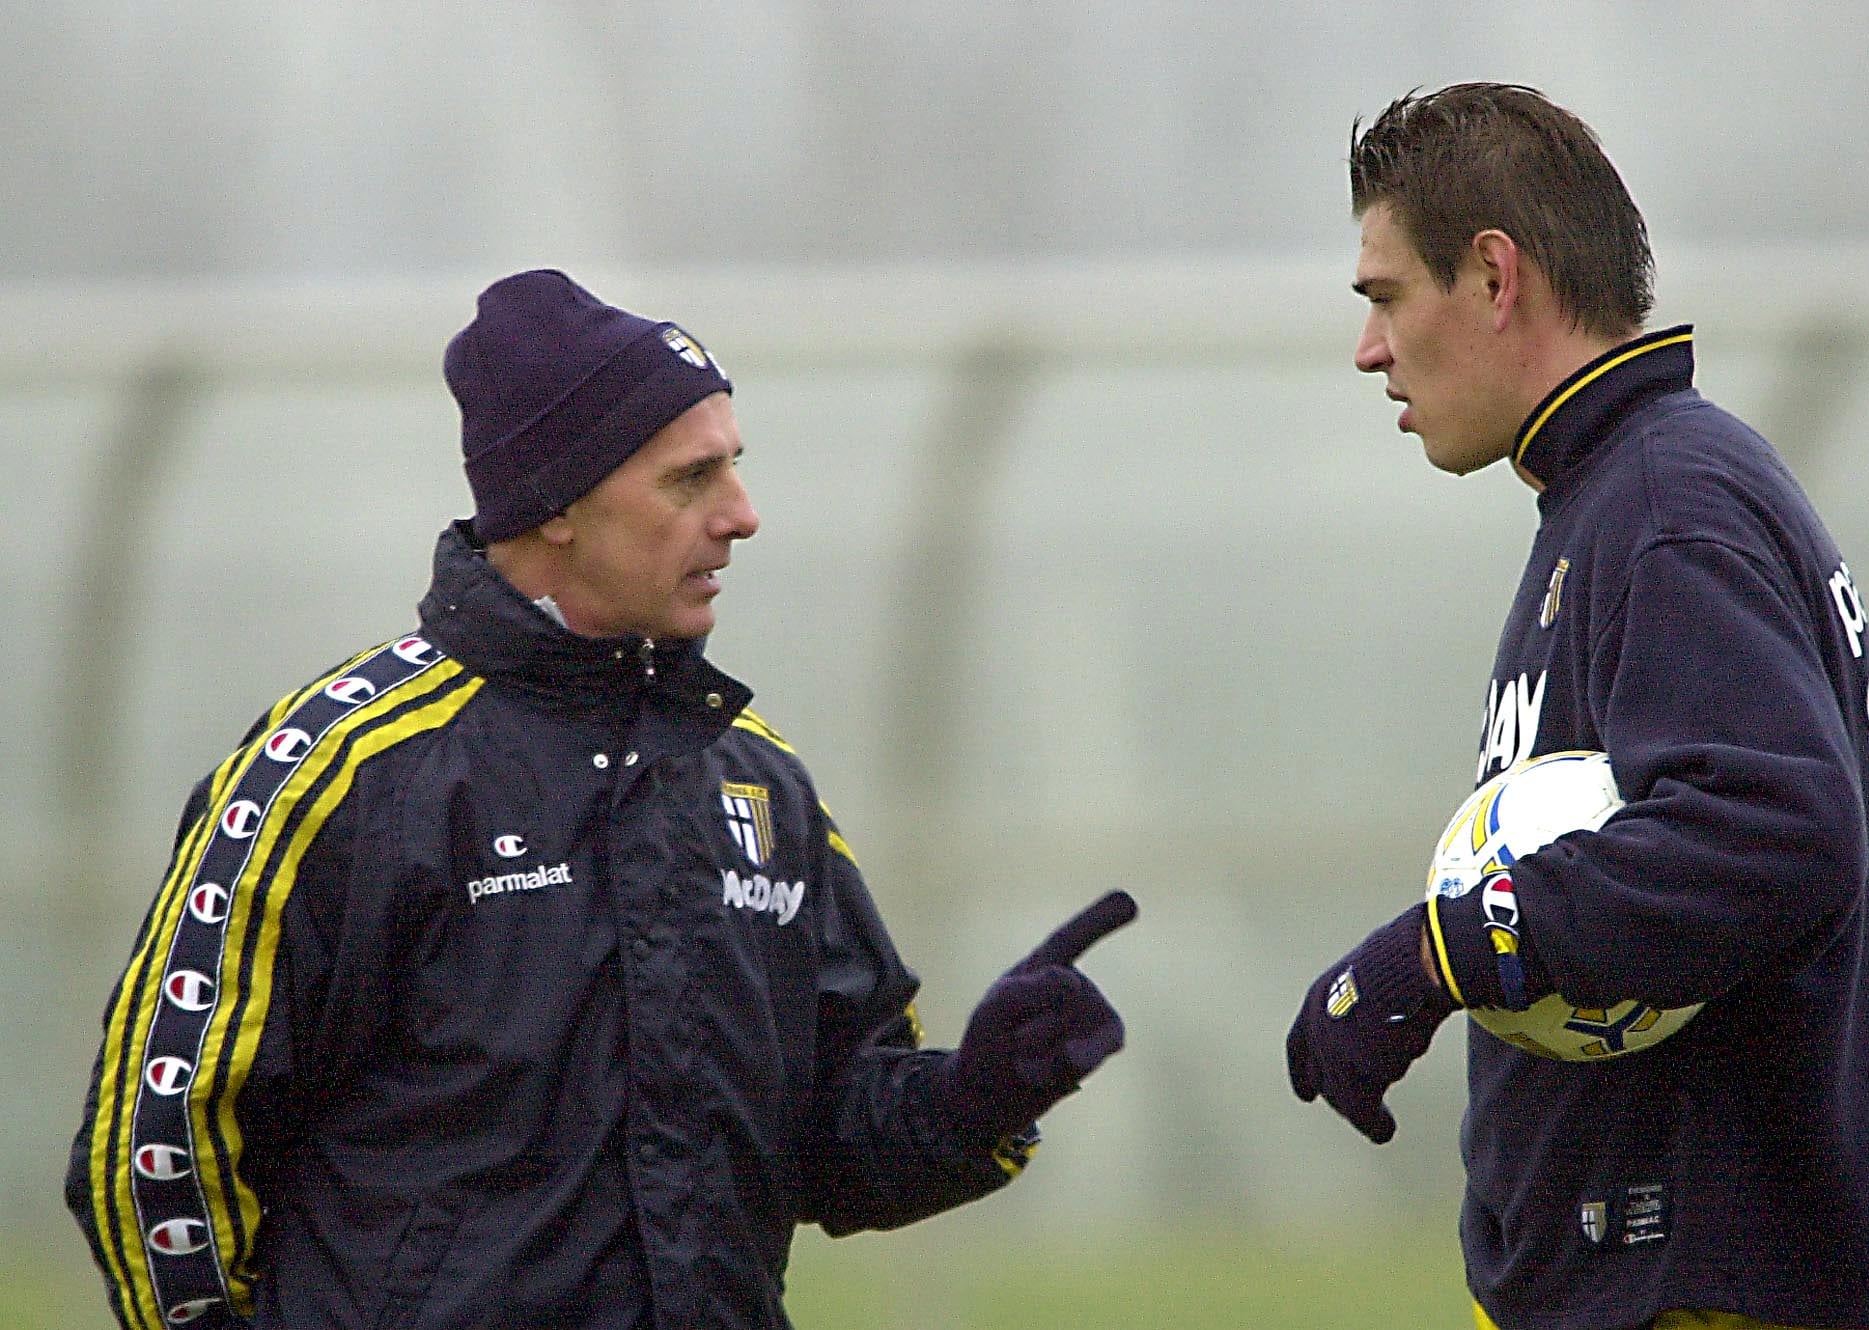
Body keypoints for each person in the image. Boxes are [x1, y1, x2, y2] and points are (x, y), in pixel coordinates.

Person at [67, 269, 1137, 1330]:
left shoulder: (757, 780)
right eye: (690, 479)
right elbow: (151, 1146)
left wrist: (975, 1097)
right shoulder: (346, 773)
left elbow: (830, 1151)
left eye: (736, 468)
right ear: (557, 506)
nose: (743, 515)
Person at [1284, 84, 1869, 1330]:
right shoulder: (1621, 497)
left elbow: (1774, 830)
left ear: (1494, 277)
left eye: (1385, 297)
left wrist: (1443, 947)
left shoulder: (1665, 507)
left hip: (1696, 1283)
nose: (1370, 348)